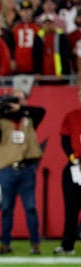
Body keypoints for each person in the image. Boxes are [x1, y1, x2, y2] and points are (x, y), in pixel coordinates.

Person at [0, 89, 45, 255]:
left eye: (19, 100)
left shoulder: (28, 117)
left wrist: (19, 109)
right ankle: (5, 243)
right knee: (6, 208)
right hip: (7, 169)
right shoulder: (0, 119)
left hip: (27, 168)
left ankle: (35, 244)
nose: (16, 103)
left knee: (30, 207)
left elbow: (41, 112)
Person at [54, 88, 81, 255]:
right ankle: (67, 244)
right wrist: (74, 159)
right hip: (75, 167)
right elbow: (65, 141)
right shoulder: (72, 116)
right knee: (71, 208)